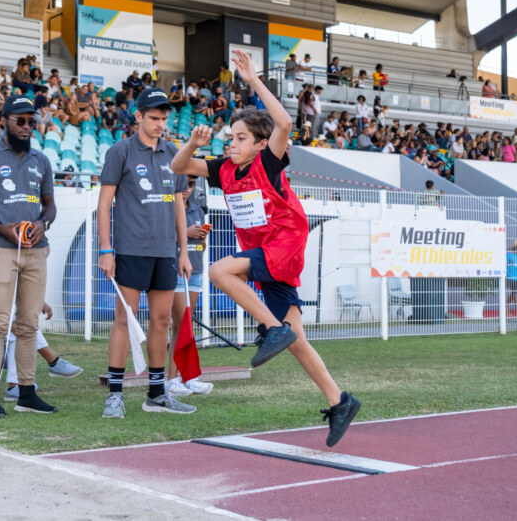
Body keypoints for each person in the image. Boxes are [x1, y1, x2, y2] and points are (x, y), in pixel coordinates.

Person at [170, 50, 361, 447]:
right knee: (298, 339)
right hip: (270, 256)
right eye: (230, 137)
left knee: (220, 271)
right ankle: (340, 401)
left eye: (241, 139)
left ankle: (272, 330)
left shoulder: (268, 162)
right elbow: (178, 167)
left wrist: (253, 80)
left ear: (260, 145)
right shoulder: (224, 170)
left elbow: (286, 121)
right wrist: (191, 142)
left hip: (286, 243)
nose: (232, 143)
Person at [97, 88, 195, 419]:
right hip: (130, 250)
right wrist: (106, 249)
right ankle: (114, 395)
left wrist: (184, 252)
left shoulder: (175, 154)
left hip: (166, 252)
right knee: (124, 318)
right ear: (138, 116)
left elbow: (181, 206)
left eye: (164, 119)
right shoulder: (120, 151)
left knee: (162, 320)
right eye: (153, 118)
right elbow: (104, 205)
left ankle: (156, 394)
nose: (160, 124)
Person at [0, 95, 58, 418]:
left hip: (36, 250)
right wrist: (3, 229)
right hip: (0, 248)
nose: (27, 127)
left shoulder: (42, 161)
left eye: (31, 121)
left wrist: (42, 223)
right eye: (20, 120)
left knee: (29, 324)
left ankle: (27, 393)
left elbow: (50, 205)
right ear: (2, 121)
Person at [0, 254, 83, 398]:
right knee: (15, 326)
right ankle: (52, 363)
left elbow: (20, 292)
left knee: (21, 324)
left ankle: (16, 385)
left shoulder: (10, 262)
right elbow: (4, 297)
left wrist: (39, 302)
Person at [164, 175, 213, 396]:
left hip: (195, 269)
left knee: (185, 326)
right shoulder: (167, 207)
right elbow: (162, 237)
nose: (187, 188)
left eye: (192, 184)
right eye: (184, 184)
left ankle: (186, 377)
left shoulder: (197, 209)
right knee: (181, 324)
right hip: (175, 270)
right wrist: (185, 234)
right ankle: (173, 378)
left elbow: (200, 245)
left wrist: (201, 237)